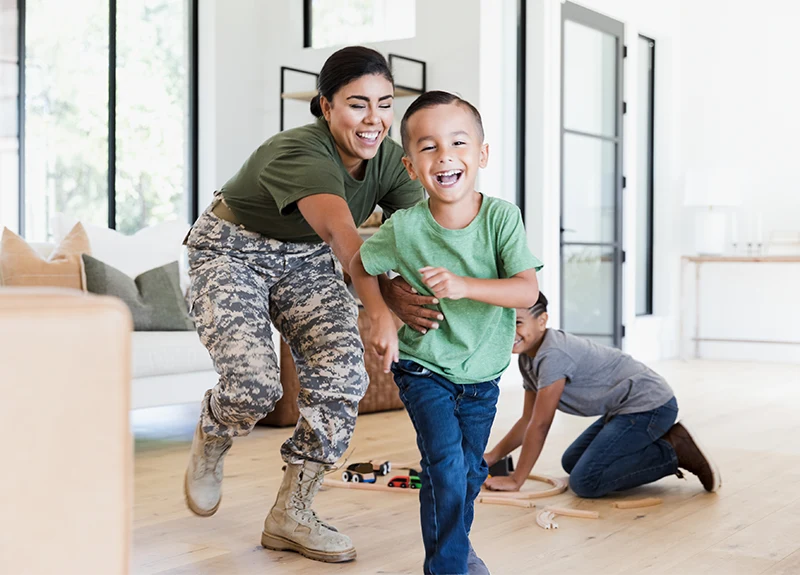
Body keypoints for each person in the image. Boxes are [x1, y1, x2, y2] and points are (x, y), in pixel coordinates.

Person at [183, 46, 443, 564]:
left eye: (385, 103)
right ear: (326, 107)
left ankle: (292, 513)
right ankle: (214, 433)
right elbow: (343, 236)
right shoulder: (299, 151)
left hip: (305, 260)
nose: (374, 120)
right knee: (253, 385)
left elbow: (418, 235)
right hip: (232, 250)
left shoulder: (390, 160)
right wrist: (376, 307)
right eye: (356, 104)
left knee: (345, 373)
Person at [350, 91, 543, 575]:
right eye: (428, 146)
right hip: (424, 368)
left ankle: (454, 547)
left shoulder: (501, 218)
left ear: (481, 154)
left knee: (468, 470)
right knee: (445, 465)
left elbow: (525, 291)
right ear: (411, 167)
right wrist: (379, 315)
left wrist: (463, 286)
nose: (444, 155)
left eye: (458, 142)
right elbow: (359, 264)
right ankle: (449, 566)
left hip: (482, 373)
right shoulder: (404, 226)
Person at [484, 292, 721, 498]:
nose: (509, 331)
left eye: (517, 323)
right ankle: (654, 442)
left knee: (586, 481)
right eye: (503, 323)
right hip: (624, 409)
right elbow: (528, 420)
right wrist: (493, 457)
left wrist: (517, 480)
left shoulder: (553, 355)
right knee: (572, 462)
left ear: (542, 321)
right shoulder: (528, 358)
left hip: (650, 406)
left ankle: (673, 450)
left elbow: (541, 424)